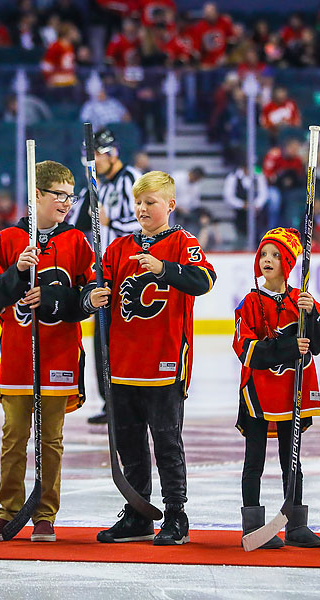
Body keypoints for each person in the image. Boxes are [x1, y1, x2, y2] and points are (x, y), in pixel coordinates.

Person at [88, 171, 216, 545]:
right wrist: (91, 296)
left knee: (166, 441)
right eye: (139, 202)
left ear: (170, 205)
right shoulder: (118, 247)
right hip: (123, 364)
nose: (143, 209)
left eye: (151, 202)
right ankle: (138, 512)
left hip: (164, 362)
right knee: (127, 441)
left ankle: (176, 514)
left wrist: (165, 269)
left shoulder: (182, 242)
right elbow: (99, 289)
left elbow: (204, 280)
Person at [0, 161, 100, 542]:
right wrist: (16, 270)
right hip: (16, 356)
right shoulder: (8, 239)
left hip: (59, 356)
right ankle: (9, 511)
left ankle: (44, 514)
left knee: (51, 440)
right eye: (58, 195)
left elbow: (87, 298)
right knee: (14, 437)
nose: (66, 202)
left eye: (69, 195)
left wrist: (52, 298)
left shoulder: (77, 241)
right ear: (36, 197)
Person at [233, 227, 320, 549]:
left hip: (293, 392)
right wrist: (288, 349)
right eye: (263, 254)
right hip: (258, 393)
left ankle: (296, 524)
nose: (267, 260)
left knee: (293, 459)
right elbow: (244, 348)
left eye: (275, 255)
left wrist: (312, 314)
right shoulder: (249, 302)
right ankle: (253, 527)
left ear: (288, 263)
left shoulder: (301, 301)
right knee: (255, 460)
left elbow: (319, 343)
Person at [85, 127, 145, 425]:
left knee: (125, 334)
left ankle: (128, 399)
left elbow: (143, 221)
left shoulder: (132, 179)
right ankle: (110, 402)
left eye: (97, 157)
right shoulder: (98, 183)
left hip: (129, 268)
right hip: (104, 269)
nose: (94, 163)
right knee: (101, 336)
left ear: (111, 154)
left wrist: (111, 220)